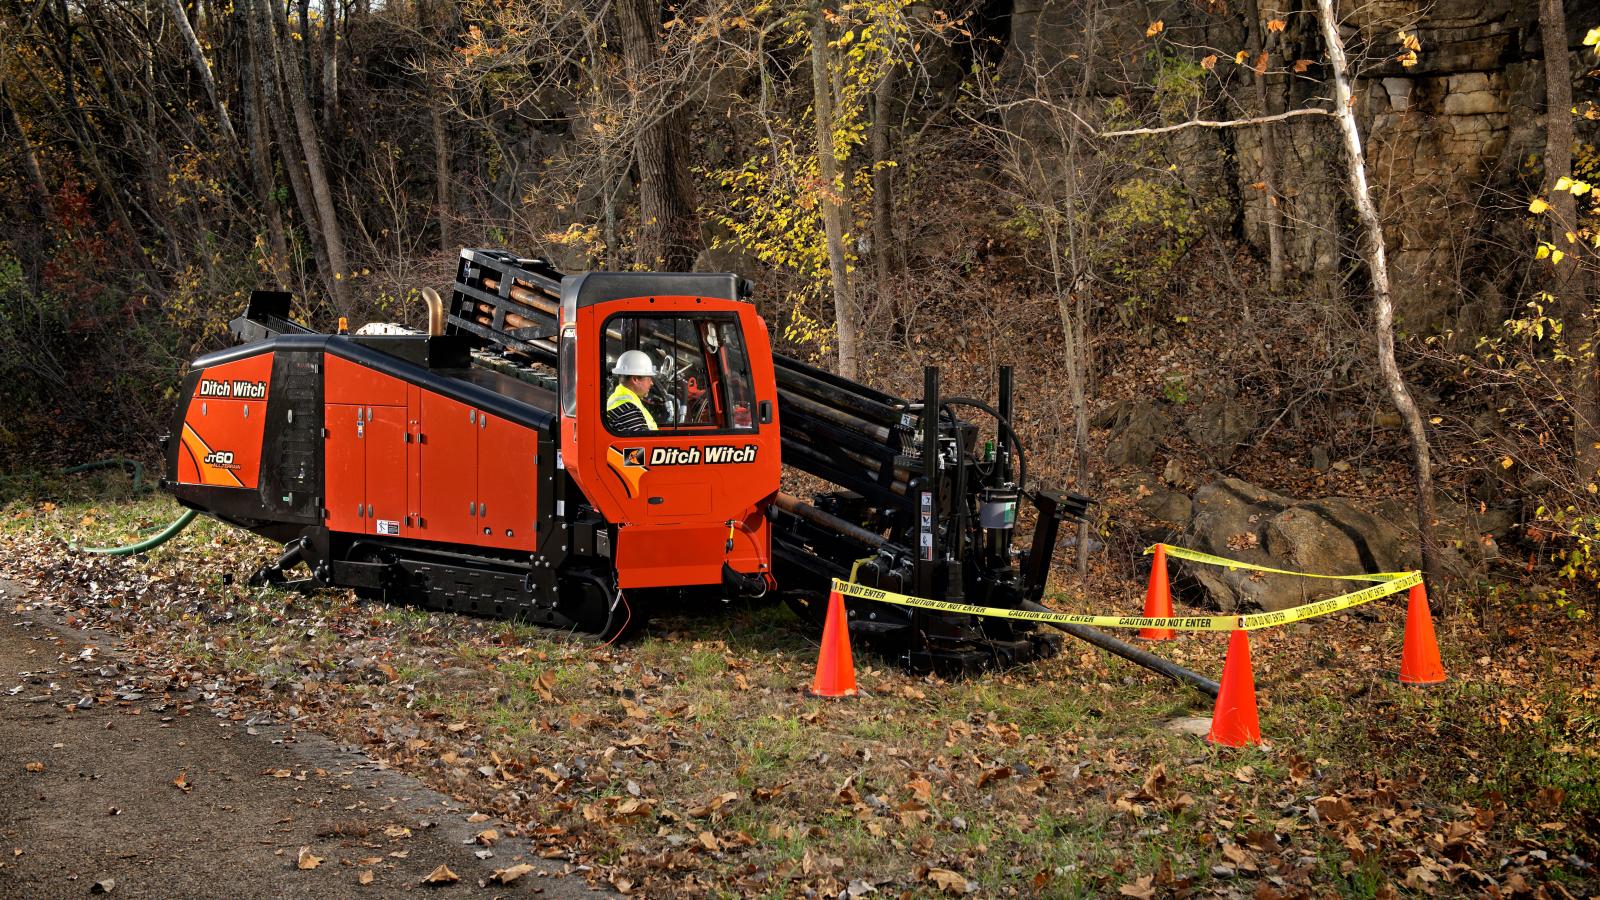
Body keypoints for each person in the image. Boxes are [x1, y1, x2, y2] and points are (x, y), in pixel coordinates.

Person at [606, 350, 659, 433]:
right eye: (649, 379)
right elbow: (645, 443)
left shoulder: (625, 400)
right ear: (635, 379)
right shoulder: (627, 409)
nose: (652, 383)